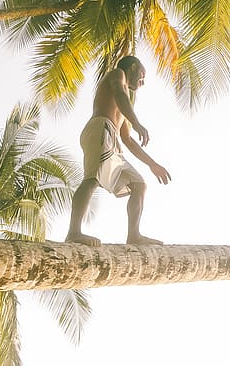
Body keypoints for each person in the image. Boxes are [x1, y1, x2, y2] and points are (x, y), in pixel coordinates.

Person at [66, 56, 171, 246]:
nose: (143, 82)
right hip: (100, 128)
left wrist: (153, 164)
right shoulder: (118, 75)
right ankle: (74, 232)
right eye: (142, 75)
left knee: (139, 185)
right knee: (92, 179)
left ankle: (134, 235)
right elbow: (119, 94)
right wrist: (137, 122)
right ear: (132, 67)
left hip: (113, 139)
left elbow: (128, 140)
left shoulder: (124, 103)